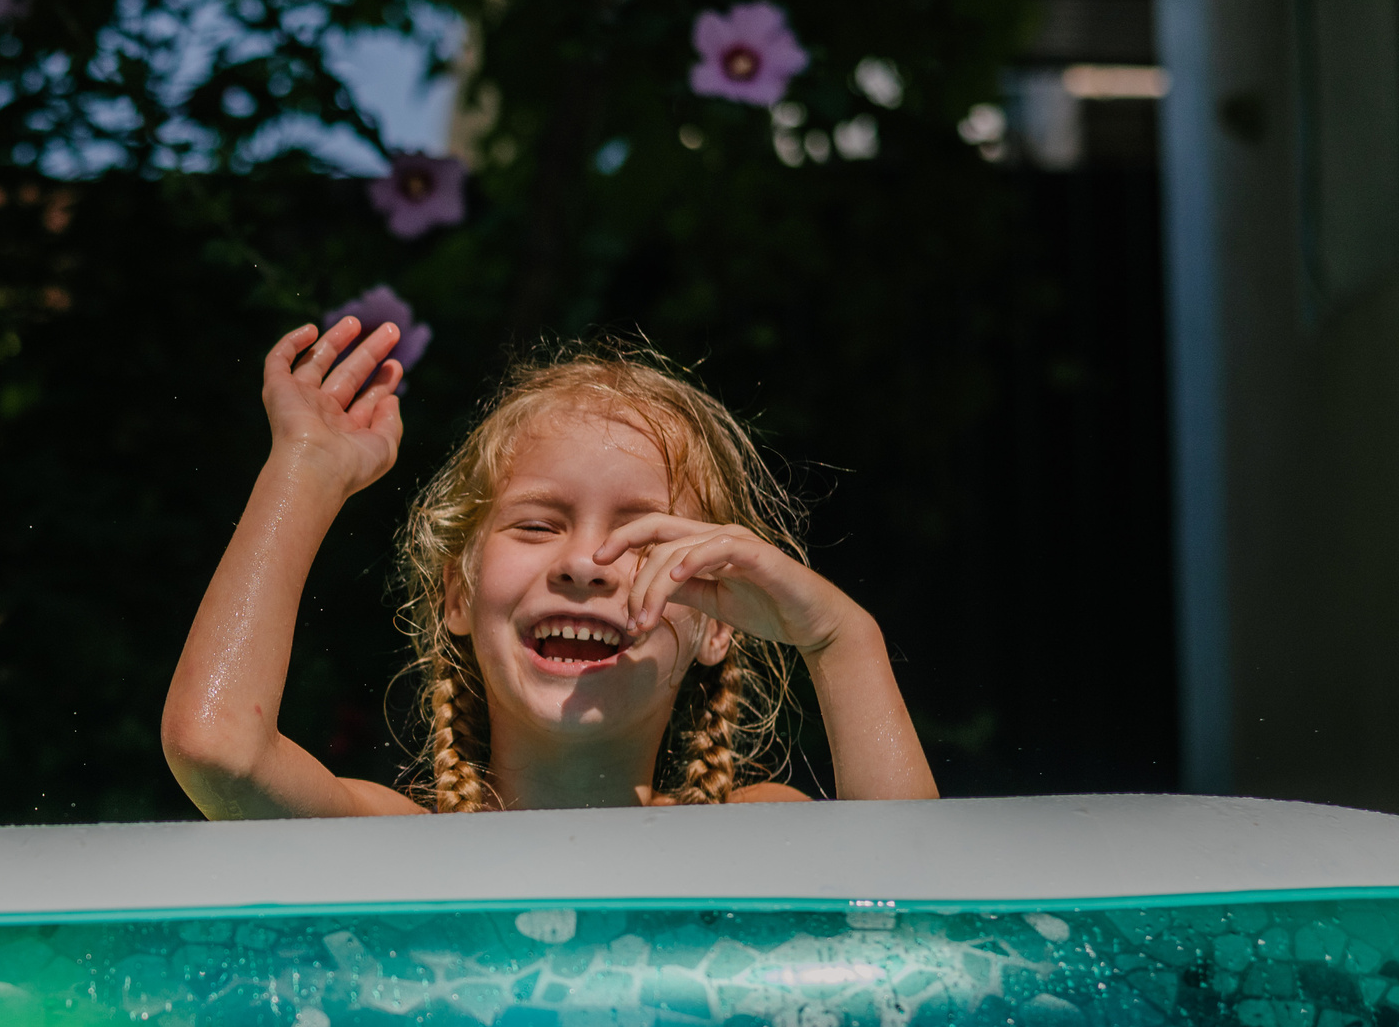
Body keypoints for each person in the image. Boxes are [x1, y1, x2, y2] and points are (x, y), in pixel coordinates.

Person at [161, 320, 937, 816]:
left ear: (718, 621)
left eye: (644, 541)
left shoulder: (758, 832)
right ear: (457, 593)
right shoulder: (397, 848)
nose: (584, 563)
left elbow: (922, 903)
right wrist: (304, 468)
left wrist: (840, 638)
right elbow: (219, 749)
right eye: (537, 524)